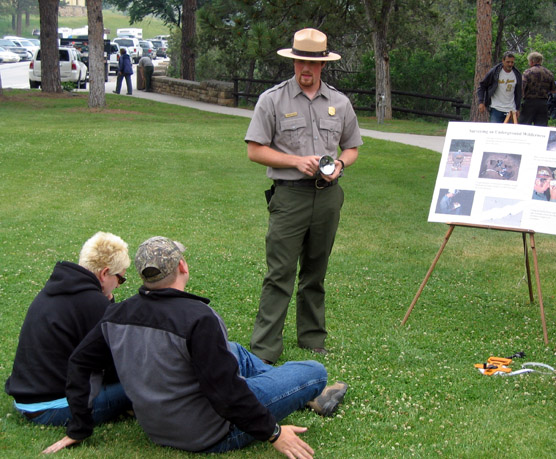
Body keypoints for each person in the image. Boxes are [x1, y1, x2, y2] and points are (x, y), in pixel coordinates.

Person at [43, 236, 348, 457]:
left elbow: (79, 362)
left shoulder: (117, 314)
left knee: (232, 350)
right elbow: (225, 394)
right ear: (183, 266)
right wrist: (274, 433)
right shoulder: (198, 318)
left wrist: (79, 427)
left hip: (157, 428)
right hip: (212, 432)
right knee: (312, 371)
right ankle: (311, 393)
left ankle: (272, 384)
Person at [244, 28, 363, 364]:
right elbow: (255, 150)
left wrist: (340, 163)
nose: (305, 69)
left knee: (316, 270)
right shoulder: (273, 100)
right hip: (289, 197)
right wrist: (297, 161)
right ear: (293, 61)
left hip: (327, 198)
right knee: (279, 272)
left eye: (312, 63)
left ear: (323, 64)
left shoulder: (339, 102)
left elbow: (352, 147)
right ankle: (265, 348)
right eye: (299, 62)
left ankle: (312, 338)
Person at [4, 232, 132, 427]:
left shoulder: (56, 289)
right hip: (55, 408)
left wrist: (107, 302)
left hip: (26, 399)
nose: (119, 285)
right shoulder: (92, 303)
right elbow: (117, 367)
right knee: (144, 383)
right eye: (120, 279)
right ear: (104, 273)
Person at [477, 51, 522, 123]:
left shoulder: (517, 74)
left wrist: (517, 108)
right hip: (496, 108)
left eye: (512, 62)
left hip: (511, 109)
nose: (510, 64)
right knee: (495, 131)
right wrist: (481, 102)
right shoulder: (495, 72)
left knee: (510, 133)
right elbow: (482, 86)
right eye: (508, 62)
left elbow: (518, 92)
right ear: (503, 61)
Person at [519, 52, 556, 126]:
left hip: (529, 103)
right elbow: (553, 90)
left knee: (524, 126)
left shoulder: (527, 72)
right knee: (541, 128)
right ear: (540, 61)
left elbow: (522, 88)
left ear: (532, 61)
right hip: (543, 104)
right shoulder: (549, 73)